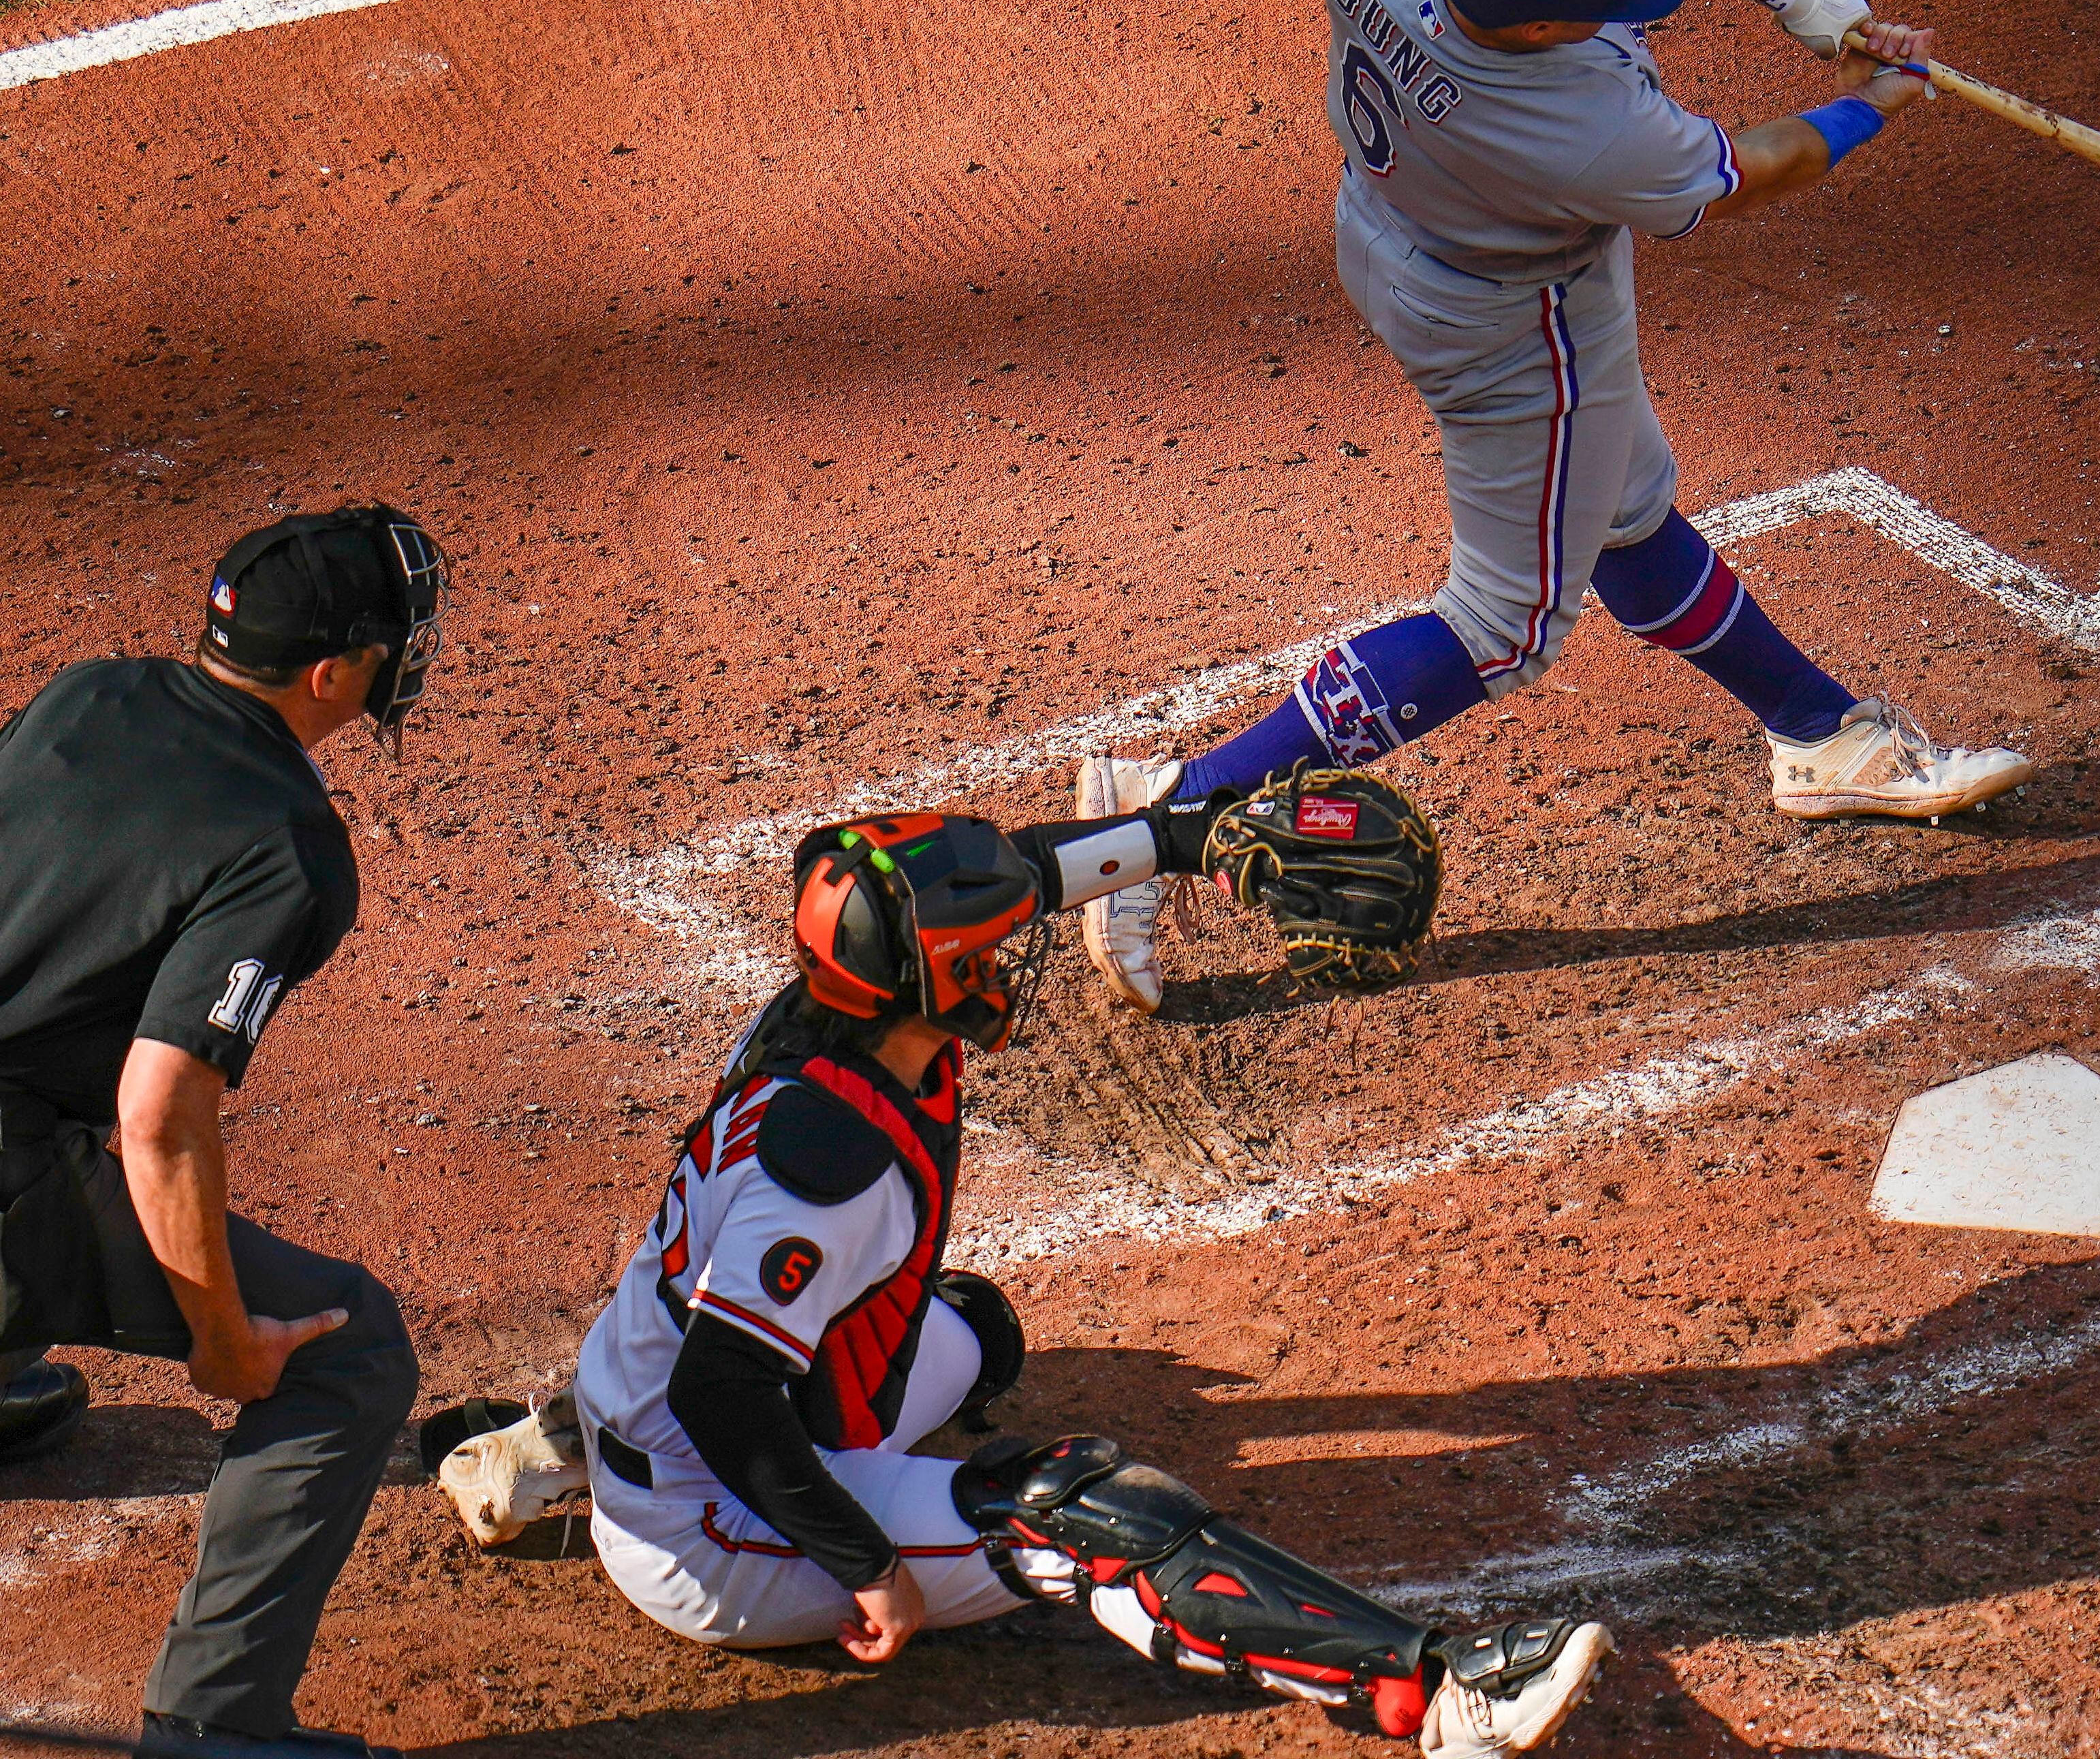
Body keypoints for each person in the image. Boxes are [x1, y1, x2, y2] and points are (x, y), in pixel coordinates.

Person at [1077, 0, 2035, 1011]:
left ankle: (1820, 732)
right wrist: (1878, 98)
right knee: (1506, 625)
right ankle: (1172, 810)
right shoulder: (1576, 123)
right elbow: (1750, 171)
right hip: (1516, 328)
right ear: (1539, 24)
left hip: (1390, 232)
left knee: (1626, 513)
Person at [541, 805, 1609, 1755]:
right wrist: (864, 1563)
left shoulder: (837, 1014)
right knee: (1076, 1506)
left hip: (646, 1394)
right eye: (986, 952)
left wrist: (1193, 841)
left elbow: (1033, 869)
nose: (1009, 959)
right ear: (936, 975)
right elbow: (720, 1394)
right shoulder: (832, 1175)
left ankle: (552, 1445)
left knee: (972, 1330)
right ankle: (1434, 1691)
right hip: (707, 1524)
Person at [0, 507, 451, 1757]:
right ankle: (218, 1725)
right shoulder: (289, 845)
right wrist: (220, 1340)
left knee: (50, 1118)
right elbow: (161, 1111)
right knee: (345, 1348)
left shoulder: (88, 694)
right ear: (331, 677)